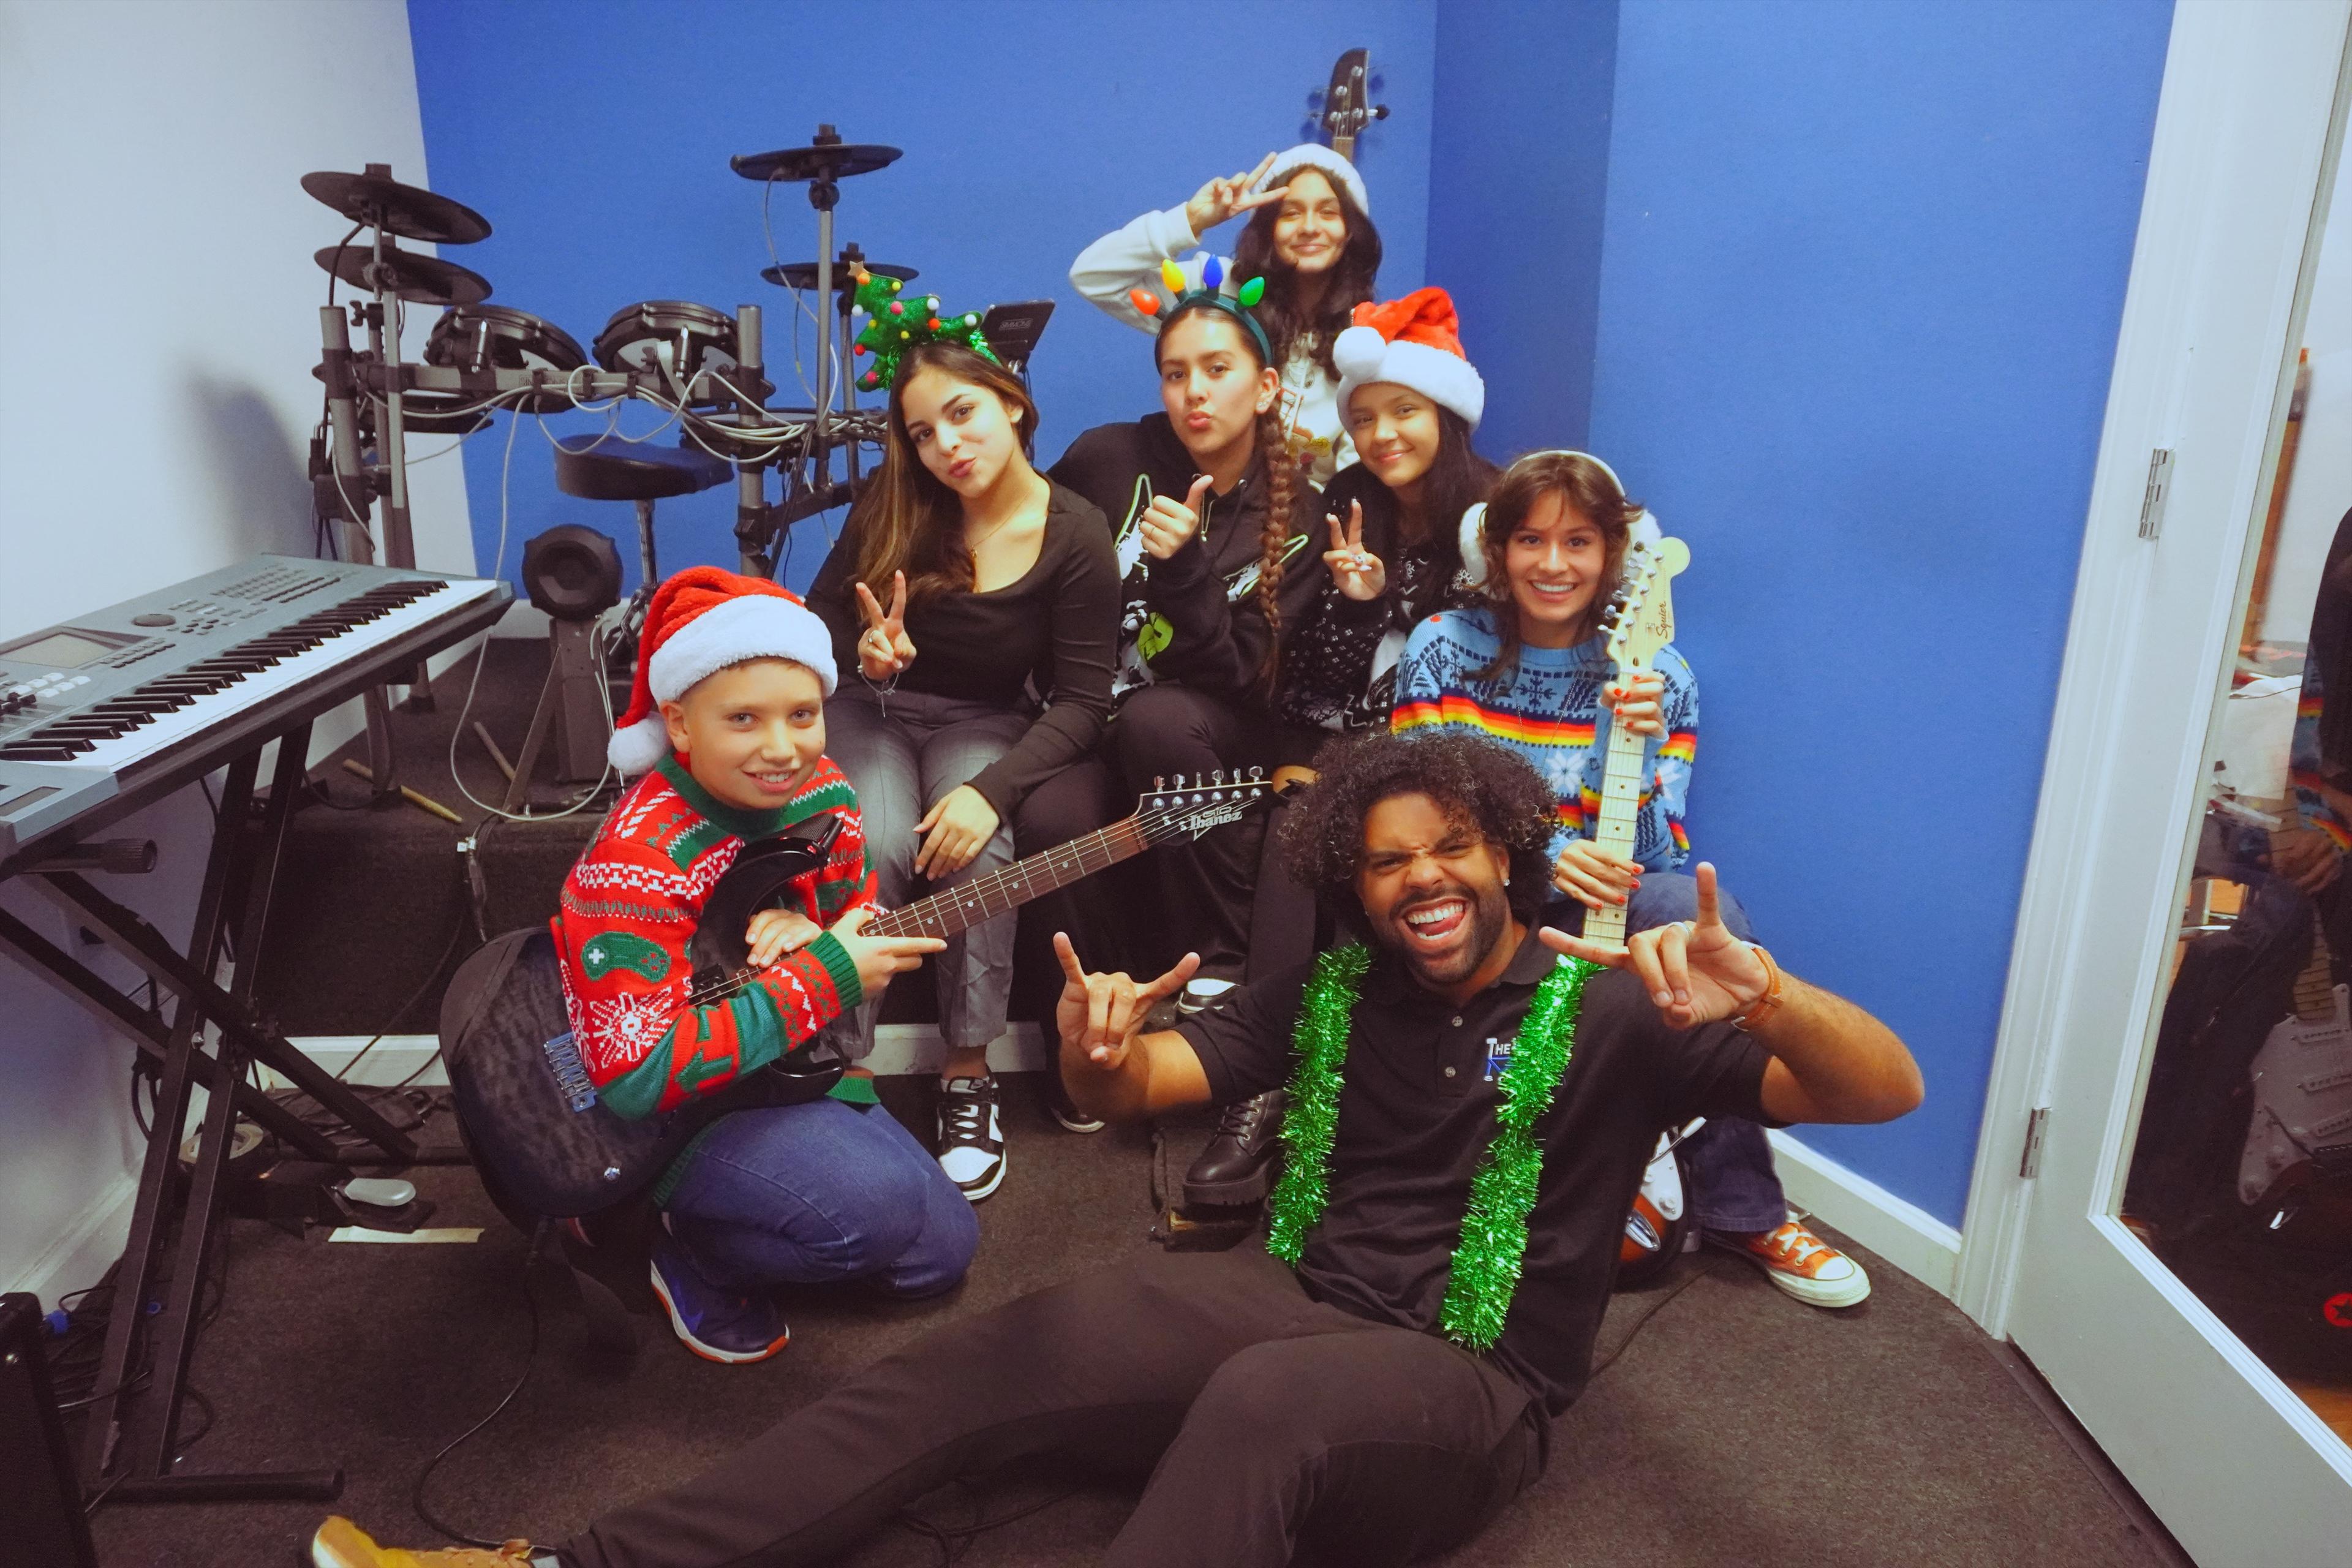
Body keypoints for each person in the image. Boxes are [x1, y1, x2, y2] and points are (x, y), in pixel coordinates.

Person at [308, 730, 1923, 1568]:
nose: (1419, 885)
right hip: (1305, 1295)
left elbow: (1879, 1093)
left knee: (1264, 1405)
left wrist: (1775, 998)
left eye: (1448, 855)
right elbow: (1163, 1076)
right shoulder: (1338, 984)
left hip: (1471, 1380)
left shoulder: (1616, 1007)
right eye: (1383, 865)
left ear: (1504, 851)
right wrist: (1092, 1059)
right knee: (997, 1355)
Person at [1393, 451, 1871, 1308]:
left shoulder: (1661, 675)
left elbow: (1657, 853)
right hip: (1468, 891)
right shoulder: (1440, 649)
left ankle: (1743, 1206)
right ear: (1496, 551)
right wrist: (1534, 857)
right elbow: (1412, 811)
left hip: (1606, 894)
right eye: (1531, 539)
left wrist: (1641, 749)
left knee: (1688, 909)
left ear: (1615, 553)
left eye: (1579, 541)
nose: (1553, 563)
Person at [556, 567, 967, 1363]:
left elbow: (860, 914)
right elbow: (636, 1076)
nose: (783, 749)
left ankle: (765, 1214)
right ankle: (658, 1238)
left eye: (804, 715)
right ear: (679, 725)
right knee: (874, 1216)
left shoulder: (828, 795)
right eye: (743, 719)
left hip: (778, 1067)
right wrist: (823, 974)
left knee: (939, 1257)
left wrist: (813, 925)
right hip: (657, 1124)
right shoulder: (636, 864)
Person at [805, 273, 1121, 1202]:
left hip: (985, 722)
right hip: (874, 710)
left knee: (974, 844)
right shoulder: (898, 503)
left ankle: (968, 1072)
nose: (946, 445)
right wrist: (864, 654)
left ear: (1013, 404)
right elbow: (813, 628)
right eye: (922, 432)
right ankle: (842, 1066)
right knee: (874, 831)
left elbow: (1083, 701)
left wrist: (994, 790)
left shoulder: (1077, 534)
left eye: (962, 414)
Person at [1044, 260, 1321, 1196]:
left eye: (1218, 369)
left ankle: (1221, 986)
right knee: (1050, 815)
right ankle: (1110, 1030)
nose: (1195, 391)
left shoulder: (1302, 521)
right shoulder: (1109, 457)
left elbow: (1243, 674)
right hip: (1095, 719)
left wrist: (1186, 567)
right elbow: (1016, 540)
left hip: (1212, 737)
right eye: (1175, 372)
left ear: (1267, 385)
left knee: (1159, 722)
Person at [1070, 145, 1382, 486]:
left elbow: (1360, 473)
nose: (1309, 227)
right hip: (1201, 501)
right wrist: (1190, 220)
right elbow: (1093, 276)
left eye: (1328, 213)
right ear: (1267, 228)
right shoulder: (1217, 290)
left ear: (1350, 230)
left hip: (1306, 525)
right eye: (1290, 214)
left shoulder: (1367, 335)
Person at [1277, 287, 1499, 752]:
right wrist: (1360, 606)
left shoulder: (1495, 513)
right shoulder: (1348, 499)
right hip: (1342, 741)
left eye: (1404, 410)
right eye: (1362, 420)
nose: (1381, 435)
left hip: (1458, 743)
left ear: (1447, 414)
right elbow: (1319, 678)